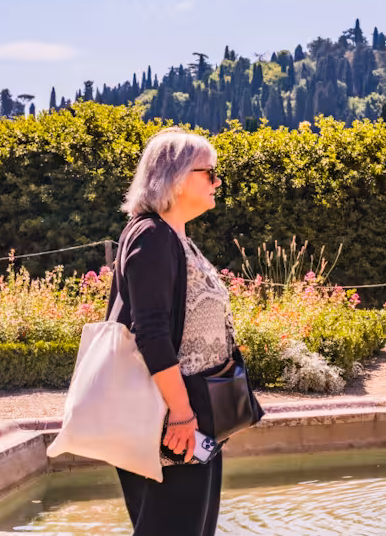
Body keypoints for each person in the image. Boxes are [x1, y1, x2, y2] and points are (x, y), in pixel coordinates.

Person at [109, 127, 234, 536]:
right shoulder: (152, 236)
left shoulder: (176, 235)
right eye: (209, 173)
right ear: (178, 177)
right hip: (171, 421)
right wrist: (181, 414)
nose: (217, 182)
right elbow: (152, 334)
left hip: (192, 416)